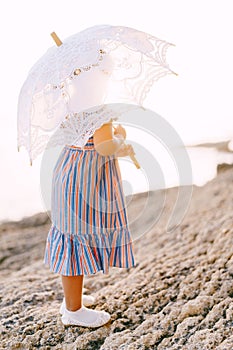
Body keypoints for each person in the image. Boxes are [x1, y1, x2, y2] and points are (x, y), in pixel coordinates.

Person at [43, 118, 136, 328]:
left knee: (72, 236)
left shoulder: (71, 106)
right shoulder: (98, 110)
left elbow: (91, 144)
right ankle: (73, 311)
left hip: (69, 172)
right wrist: (120, 137)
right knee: (76, 239)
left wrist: (115, 147)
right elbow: (104, 147)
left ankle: (72, 299)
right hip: (84, 183)